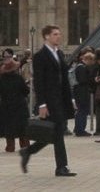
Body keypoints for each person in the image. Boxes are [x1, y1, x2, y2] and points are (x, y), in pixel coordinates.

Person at [20, 24, 76, 177]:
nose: (59, 36)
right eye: (55, 34)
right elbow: (39, 81)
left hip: (60, 99)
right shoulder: (40, 56)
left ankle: (28, 151)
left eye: (59, 34)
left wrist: (70, 98)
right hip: (50, 100)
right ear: (46, 36)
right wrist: (42, 104)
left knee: (54, 132)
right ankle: (61, 167)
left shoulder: (59, 54)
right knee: (58, 132)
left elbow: (64, 79)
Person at [0, 57, 30, 152]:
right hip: (20, 105)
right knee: (22, 127)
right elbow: (26, 91)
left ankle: (10, 146)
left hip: (6, 105)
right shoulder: (19, 78)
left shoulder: (1, 79)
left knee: (9, 126)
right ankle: (25, 145)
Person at [70, 51, 94, 137]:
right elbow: (82, 80)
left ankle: (79, 128)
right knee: (82, 110)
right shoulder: (81, 68)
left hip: (80, 91)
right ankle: (80, 129)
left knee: (81, 110)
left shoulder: (80, 67)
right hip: (81, 91)